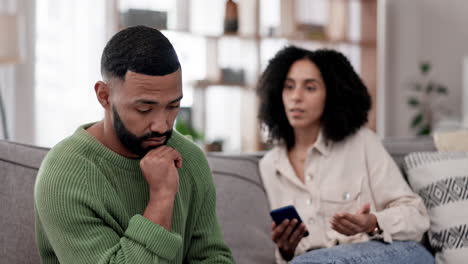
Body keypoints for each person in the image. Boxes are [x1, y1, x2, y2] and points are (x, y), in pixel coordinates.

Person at [34, 26, 235, 264]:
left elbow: (213, 258)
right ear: (104, 96)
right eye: (144, 109)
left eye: (173, 106)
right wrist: (161, 197)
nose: (162, 125)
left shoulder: (189, 158)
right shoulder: (65, 175)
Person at [257, 46, 434, 264]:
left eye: (310, 88)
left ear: (332, 94)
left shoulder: (362, 143)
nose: (296, 97)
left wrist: (372, 222)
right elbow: (292, 257)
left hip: (387, 254)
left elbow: (417, 218)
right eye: (288, 87)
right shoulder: (271, 165)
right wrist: (286, 250)